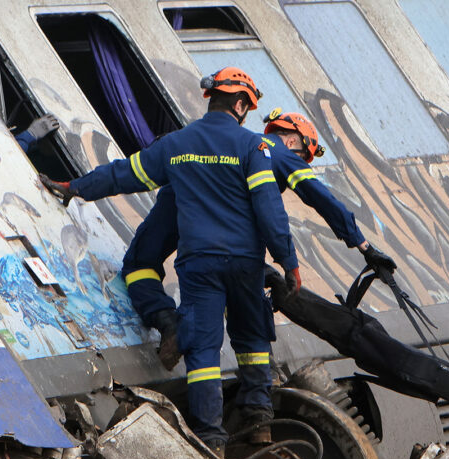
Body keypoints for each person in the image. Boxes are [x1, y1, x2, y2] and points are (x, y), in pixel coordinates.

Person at [41, 67, 298, 456]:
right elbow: (269, 209)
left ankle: (212, 443)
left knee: (203, 353)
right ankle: (259, 420)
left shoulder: (178, 143)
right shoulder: (252, 147)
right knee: (254, 338)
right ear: (242, 104)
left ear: (212, 97)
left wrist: (74, 187)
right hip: (245, 262)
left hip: (200, 265)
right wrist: (287, 259)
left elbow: (123, 174)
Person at [122, 108, 397, 372]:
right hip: (228, 244)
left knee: (138, 265)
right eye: (304, 156)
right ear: (292, 140)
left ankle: (168, 321)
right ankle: (260, 379)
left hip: (180, 207)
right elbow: (324, 200)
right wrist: (365, 247)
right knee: (238, 283)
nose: (301, 161)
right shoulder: (278, 152)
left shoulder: (236, 141)